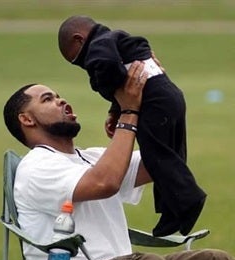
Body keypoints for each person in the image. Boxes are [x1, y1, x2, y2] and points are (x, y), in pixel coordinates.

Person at [2, 61, 235, 260]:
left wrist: (156, 96)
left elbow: (167, 161)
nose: (62, 101)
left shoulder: (90, 156)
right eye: (48, 99)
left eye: (59, 95)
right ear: (27, 119)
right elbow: (106, 182)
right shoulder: (37, 166)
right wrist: (128, 119)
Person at [57, 15, 206, 237]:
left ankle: (188, 200)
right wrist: (116, 108)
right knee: (171, 156)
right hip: (170, 97)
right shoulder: (117, 38)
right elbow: (140, 53)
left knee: (157, 158)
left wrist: (102, 86)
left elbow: (108, 68)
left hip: (153, 105)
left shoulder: (98, 45)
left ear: (80, 40)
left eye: (78, 60)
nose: (85, 66)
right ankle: (170, 211)